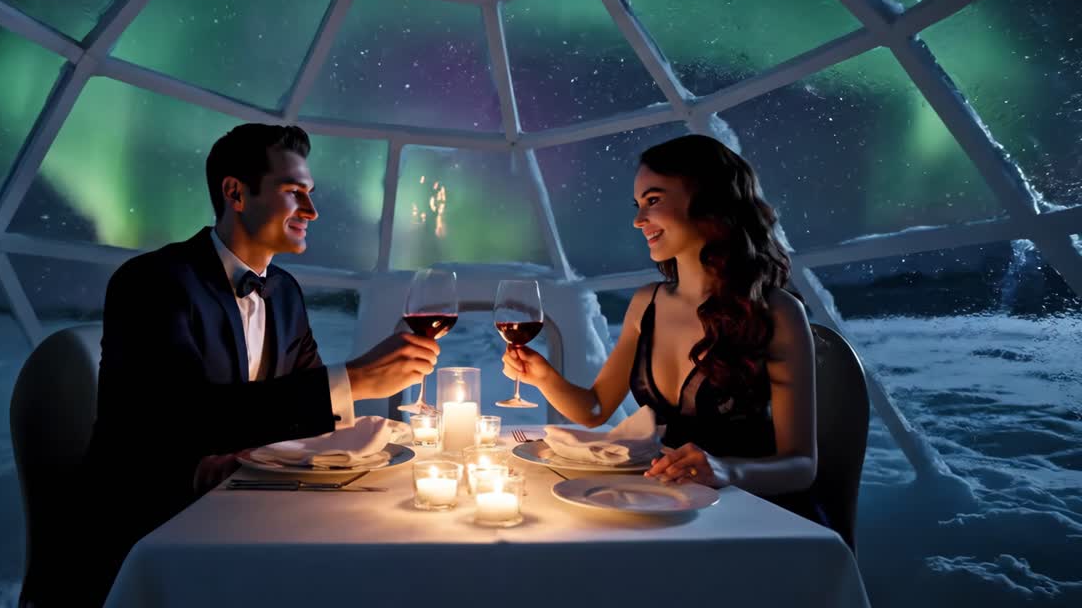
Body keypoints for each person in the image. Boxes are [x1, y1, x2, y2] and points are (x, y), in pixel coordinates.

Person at [72, 123, 439, 606]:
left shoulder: (284, 292)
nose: (312, 210)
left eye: (309, 193)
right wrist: (357, 379)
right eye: (293, 193)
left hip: (249, 507)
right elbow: (183, 420)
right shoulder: (153, 283)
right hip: (154, 529)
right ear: (236, 193)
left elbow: (300, 413)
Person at [503, 134, 823, 521]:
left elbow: (802, 466)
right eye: (637, 205)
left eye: (653, 201)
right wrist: (543, 377)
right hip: (669, 505)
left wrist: (725, 471)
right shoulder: (647, 304)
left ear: (709, 202)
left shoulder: (778, 313)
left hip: (753, 514)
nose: (639, 220)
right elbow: (595, 408)